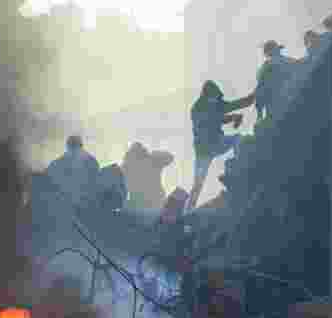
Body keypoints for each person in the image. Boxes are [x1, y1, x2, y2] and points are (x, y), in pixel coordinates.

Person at [188, 80, 254, 210]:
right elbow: (211, 120)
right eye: (212, 98)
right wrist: (234, 117)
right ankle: (188, 210)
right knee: (198, 184)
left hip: (217, 143)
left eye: (215, 98)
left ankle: (239, 166)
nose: (215, 101)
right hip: (204, 150)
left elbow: (241, 103)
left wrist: (257, 92)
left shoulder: (216, 104)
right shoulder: (197, 108)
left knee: (238, 139)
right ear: (205, 96)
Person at [45, 134, 100, 208]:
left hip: (64, 206)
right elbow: (97, 184)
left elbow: (49, 181)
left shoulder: (57, 163)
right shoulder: (92, 161)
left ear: (68, 146)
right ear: (81, 145)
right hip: (86, 205)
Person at [122, 142, 175, 210]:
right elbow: (169, 157)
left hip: (149, 203)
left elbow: (169, 157)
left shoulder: (152, 160)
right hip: (147, 203)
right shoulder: (152, 160)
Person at [254, 40, 297, 121]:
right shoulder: (292, 61)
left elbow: (260, 91)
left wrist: (259, 115)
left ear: (267, 54)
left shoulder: (264, 69)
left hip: (275, 111)